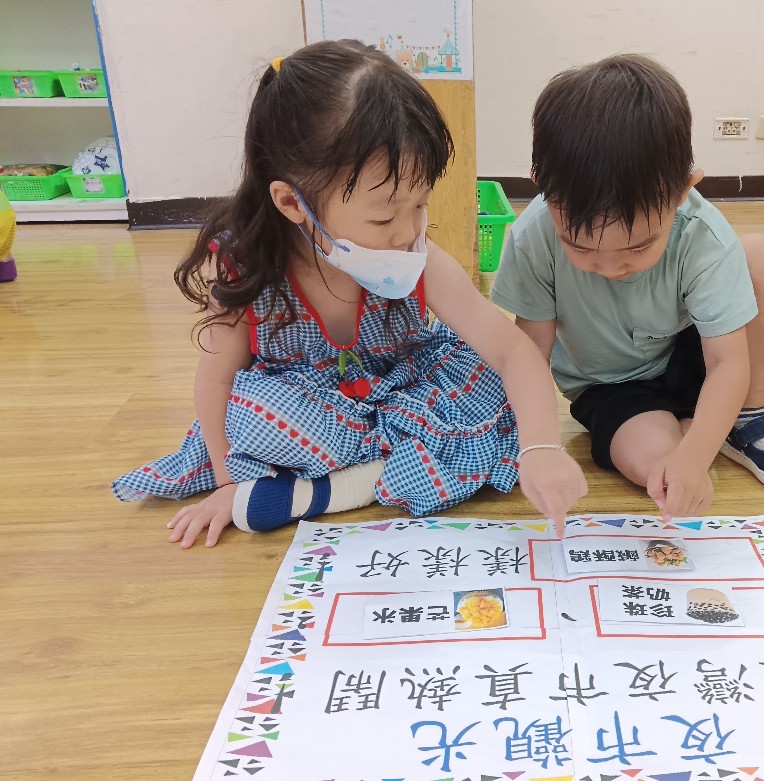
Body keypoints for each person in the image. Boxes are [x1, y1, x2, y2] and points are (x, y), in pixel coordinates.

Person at [112, 41, 586, 548]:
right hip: (311, 415)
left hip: (407, 396)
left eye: (420, 205)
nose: (408, 231)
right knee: (249, 414)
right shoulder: (248, 268)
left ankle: (324, 490)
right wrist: (229, 484)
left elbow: (512, 350)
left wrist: (542, 447)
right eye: (383, 217)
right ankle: (393, 469)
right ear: (292, 202)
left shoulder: (417, 256)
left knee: (498, 384)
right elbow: (217, 381)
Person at [490, 54, 764, 522]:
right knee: (656, 467)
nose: (610, 268)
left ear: (684, 190)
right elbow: (528, 354)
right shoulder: (533, 236)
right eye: (580, 247)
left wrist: (696, 456)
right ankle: (724, 413)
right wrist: (536, 442)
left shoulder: (701, 234)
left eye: (638, 247)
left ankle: (748, 414)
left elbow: (726, 361)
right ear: (544, 190)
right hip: (607, 385)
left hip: (691, 356)